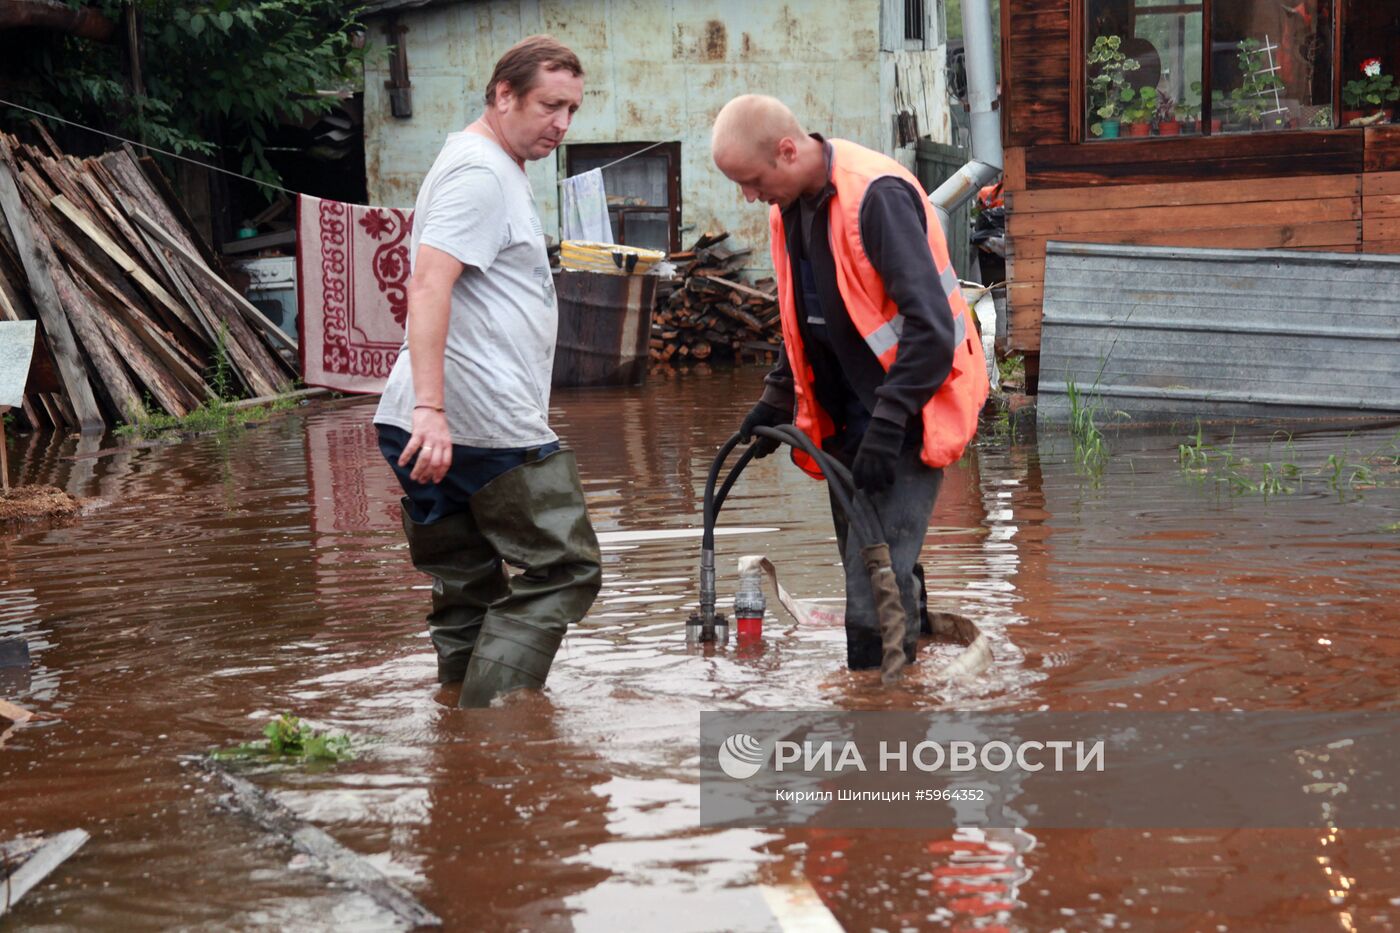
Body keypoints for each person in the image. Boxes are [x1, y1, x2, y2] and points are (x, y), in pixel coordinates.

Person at [710, 95, 988, 670]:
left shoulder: (876, 197)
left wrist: (888, 427)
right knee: (872, 563)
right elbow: (808, 318)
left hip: (911, 408)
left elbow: (931, 330)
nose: (749, 195)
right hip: (849, 422)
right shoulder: (787, 207)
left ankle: (881, 717)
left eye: (752, 180)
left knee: (870, 591)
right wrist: (776, 395)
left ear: (787, 151)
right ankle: (912, 680)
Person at [374, 35, 602, 708]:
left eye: (573, 110)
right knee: (567, 566)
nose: (562, 125)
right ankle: (493, 722)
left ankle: (460, 751)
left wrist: (425, 412)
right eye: (549, 106)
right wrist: (433, 410)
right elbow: (427, 284)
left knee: (467, 587)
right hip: (476, 424)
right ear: (503, 96)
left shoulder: (485, 162)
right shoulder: (480, 173)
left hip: (429, 422)